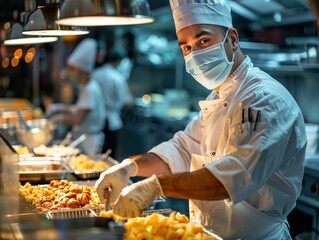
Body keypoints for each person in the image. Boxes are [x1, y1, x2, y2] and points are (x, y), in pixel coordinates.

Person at [95, 0, 307, 239]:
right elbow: (182, 149)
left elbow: (229, 179)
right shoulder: (219, 95)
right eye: (186, 47)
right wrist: (129, 166)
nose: (195, 54)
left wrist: (157, 186)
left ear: (233, 39)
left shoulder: (263, 99)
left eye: (203, 41)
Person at [47, 38, 106, 155]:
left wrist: (58, 119)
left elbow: (77, 119)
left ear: (82, 71)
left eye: (72, 69)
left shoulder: (90, 89)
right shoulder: (85, 88)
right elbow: (77, 110)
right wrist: (58, 108)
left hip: (89, 141)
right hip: (83, 138)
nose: (70, 73)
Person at [91, 47, 133, 158]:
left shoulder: (95, 74)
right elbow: (127, 102)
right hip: (111, 121)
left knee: (97, 151)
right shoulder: (118, 78)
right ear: (118, 61)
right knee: (110, 154)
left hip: (95, 118)